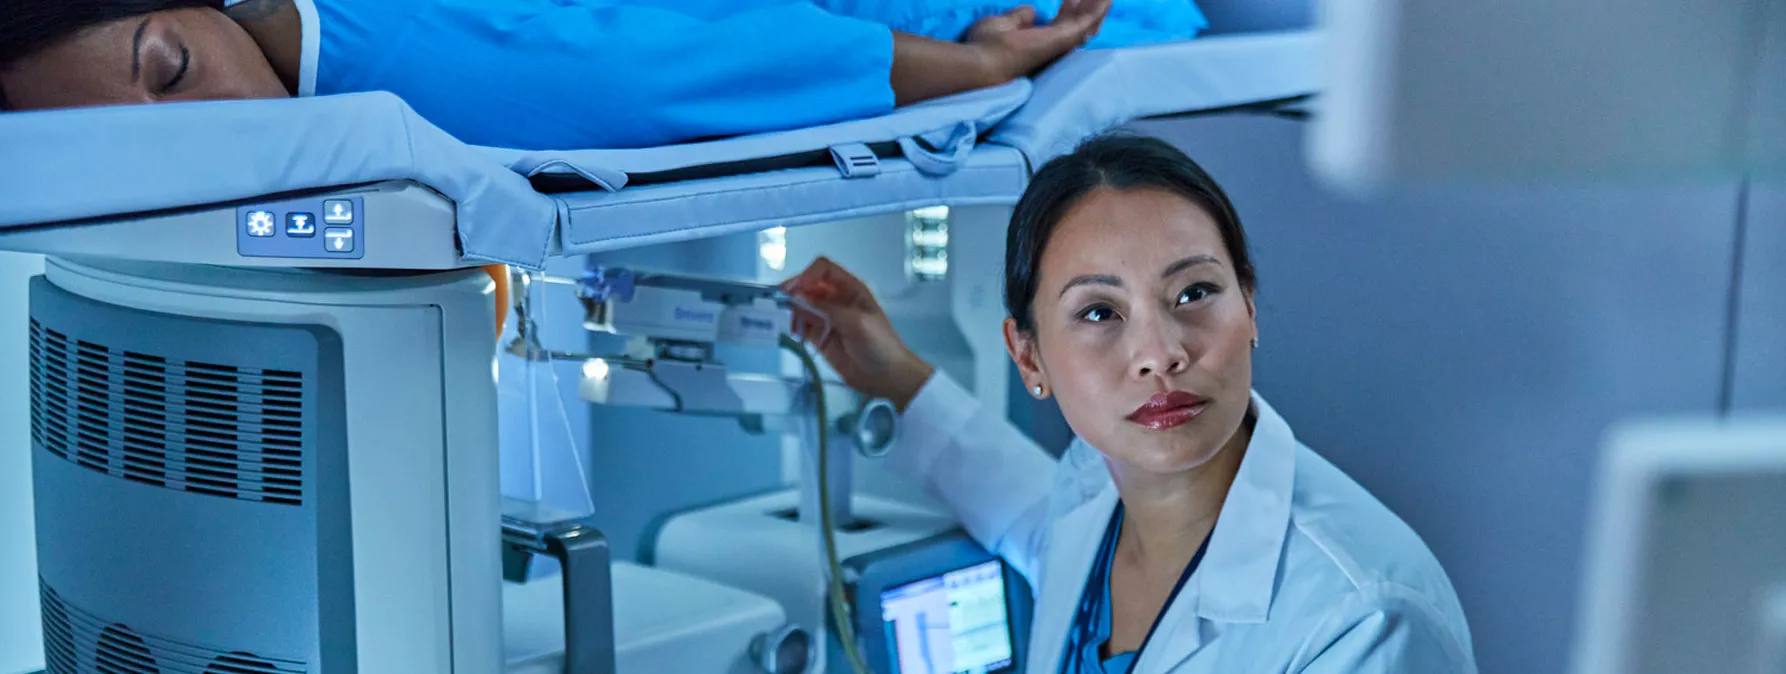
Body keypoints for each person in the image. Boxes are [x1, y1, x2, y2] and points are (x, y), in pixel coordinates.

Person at [782, 135, 1477, 672]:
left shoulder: (1362, 615)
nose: (1160, 352)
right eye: (1098, 312)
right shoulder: (1097, 493)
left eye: (1194, 293)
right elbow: (1035, 516)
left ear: (1251, 305)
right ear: (1028, 356)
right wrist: (890, 372)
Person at [0, 0, 1119, 149]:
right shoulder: (383, 94)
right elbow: (660, 65)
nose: (215, 116)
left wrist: (973, 62)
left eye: (174, 67)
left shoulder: (375, 50)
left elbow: (664, 66)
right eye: (152, 132)